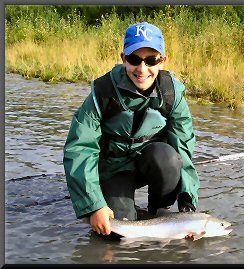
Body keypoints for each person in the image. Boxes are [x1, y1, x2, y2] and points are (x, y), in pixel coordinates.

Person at [63, 22, 200, 237]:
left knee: (169, 158)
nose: (142, 69)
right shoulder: (102, 93)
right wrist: (93, 205)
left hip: (151, 163)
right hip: (113, 169)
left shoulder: (172, 94)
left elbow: (183, 148)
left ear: (162, 61)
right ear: (123, 59)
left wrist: (187, 205)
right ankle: (116, 207)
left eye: (151, 60)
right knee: (117, 232)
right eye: (134, 59)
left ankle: (160, 212)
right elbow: (80, 149)